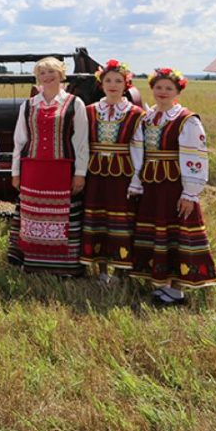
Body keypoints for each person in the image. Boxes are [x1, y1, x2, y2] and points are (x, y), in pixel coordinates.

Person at [129, 68, 216, 305]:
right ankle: (163, 283)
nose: (162, 92)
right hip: (153, 186)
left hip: (175, 186)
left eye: (168, 88)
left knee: (176, 234)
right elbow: (138, 153)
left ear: (177, 91)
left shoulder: (187, 120)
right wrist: (137, 182)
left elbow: (195, 157)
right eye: (158, 87)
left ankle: (177, 289)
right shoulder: (147, 118)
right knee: (160, 232)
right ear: (152, 90)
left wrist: (190, 193)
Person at [7, 57, 89, 275]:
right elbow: (20, 141)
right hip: (33, 170)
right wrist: (15, 172)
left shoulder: (74, 103)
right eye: (42, 73)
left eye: (52, 71)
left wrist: (80, 173)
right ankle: (33, 263)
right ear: (38, 78)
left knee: (63, 215)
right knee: (33, 214)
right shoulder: (29, 105)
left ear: (61, 74)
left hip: (62, 170)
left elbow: (81, 142)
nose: (47, 76)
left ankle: (65, 267)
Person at [79, 59, 144, 284]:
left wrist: (137, 179)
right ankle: (102, 270)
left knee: (121, 221)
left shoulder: (136, 113)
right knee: (98, 219)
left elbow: (139, 148)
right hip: (95, 174)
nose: (113, 84)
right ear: (101, 83)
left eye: (118, 80)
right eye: (108, 80)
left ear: (126, 84)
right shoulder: (89, 111)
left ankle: (120, 271)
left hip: (122, 174)